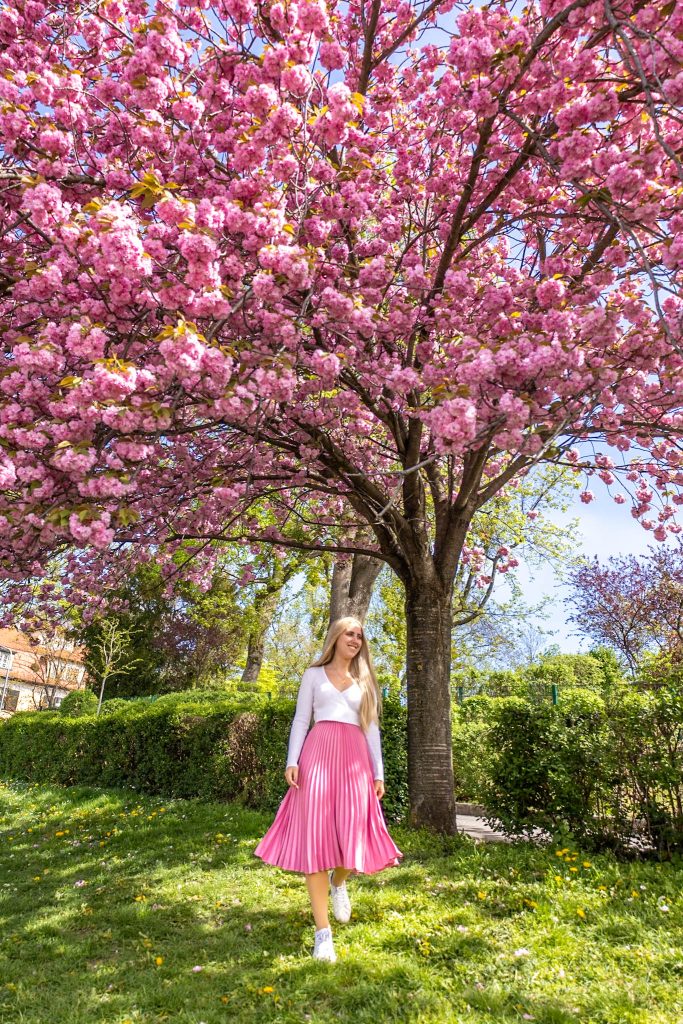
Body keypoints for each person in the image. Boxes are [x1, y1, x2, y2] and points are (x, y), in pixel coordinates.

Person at [253, 616, 403, 962]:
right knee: (317, 841)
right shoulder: (313, 675)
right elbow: (301, 720)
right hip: (317, 757)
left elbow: (371, 729)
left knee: (355, 835)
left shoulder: (365, 680)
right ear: (336, 638)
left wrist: (378, 772)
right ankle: (323, 934)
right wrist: (293, 760)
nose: (355, 640)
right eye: (349, 634)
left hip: (354, 762)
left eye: (360, 636)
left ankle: (339, 882)